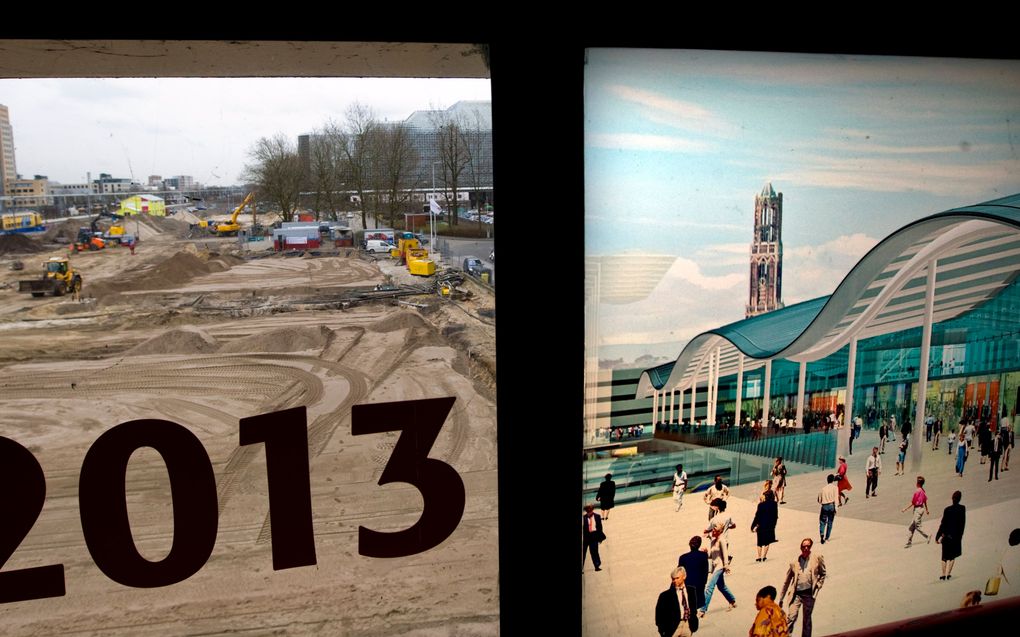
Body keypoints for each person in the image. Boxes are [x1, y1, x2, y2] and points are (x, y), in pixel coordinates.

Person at [779, 538, 826, 637]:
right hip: (796, 595)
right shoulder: (794, 562)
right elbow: (787, 581)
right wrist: (781, 598)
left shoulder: (817, 558)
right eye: (804, 546)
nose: (805, 548)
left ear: (810, 547)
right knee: (791, 617)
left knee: (807, 619)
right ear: (800, 547)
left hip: (809, 594)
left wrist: (818, 585)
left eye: (808, 546)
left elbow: (823, 573)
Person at [698, 513, 737, 618]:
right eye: (712, 530)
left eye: (714, 531)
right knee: (721, 586)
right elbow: (711, 555)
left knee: (709, 587)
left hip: (720, 567)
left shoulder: (722, 540)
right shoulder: (713, 540)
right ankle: (732, 601)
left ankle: (702, 610)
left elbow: (725, 554)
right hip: (715, 566)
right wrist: (705, 553)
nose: (712, 532)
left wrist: (726, 566)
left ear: (719, 531)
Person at [656, 566, 700, 636]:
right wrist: (662, 630)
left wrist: (693, 623)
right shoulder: (665, 595)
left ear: (684, 577)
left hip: (687, 626)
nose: (675, 581)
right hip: (673, 628)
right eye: (673, 579)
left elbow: (693, 608)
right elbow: (659, 615)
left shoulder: (691, 590)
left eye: (677, 578)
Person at [935, 490, 965, 580]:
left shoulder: (947, 509)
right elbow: (962, 523)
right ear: (960, 499)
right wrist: (960, 536)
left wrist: (938, 536)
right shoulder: (962, 508)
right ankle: (948, 574)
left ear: (952, 499)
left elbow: (943, 523)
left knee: (944, 556)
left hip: (946, 536)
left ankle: (943, 574)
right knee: (952, 556)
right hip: (955, 536)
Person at [678, 536, 710, 611]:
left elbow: (680, 571)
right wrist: (704, 582)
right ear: (699, 545)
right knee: (697, 603)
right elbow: (705, 571)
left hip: (688, 584)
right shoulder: (703, 555)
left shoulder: (683, 557)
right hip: (699, 584)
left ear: (690, 544)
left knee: (689, 603)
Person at [902, 475, 931, 547]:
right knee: (911, 526)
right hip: (921, 509)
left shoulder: (917, 491)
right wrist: (927, 509)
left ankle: (927, 536)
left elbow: (913, 503)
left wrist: (905, 509)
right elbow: (925, 501)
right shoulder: (922, 491)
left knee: (917, 526)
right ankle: (909, 542)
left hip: (917, 509)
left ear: (918, 483)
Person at [752, 490, 779, 562]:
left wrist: (753, 525)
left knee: (759, 542)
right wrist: (774, 525)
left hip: (761, 525)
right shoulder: (774, 504)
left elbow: (757, 516)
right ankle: (764, 556)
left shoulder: (760, 505)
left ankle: (758, 557)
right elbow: (775, 515)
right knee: (767, 541)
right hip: (769, 525)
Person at [582, 503, 605, 573]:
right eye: (588, 511)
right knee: (583, 553)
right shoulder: (583, 518)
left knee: (594, 552)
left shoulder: (597, 516)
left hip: (594, 536)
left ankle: (597, 566)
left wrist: (600, 538)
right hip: (585, 537)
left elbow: (600, 528)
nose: (589, 512)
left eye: (590, 510)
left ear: (592, 510)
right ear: (586, 511)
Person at [817, 474, 838, 544]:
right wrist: (836, 508)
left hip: (824, 506)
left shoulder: (823, 489)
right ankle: (827, 537)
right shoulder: (835, 488)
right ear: (833, 480)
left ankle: (822, 535)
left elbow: (819, 500)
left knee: (822, 522)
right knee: (830, 522)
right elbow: (836, 499)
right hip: (832, 506)